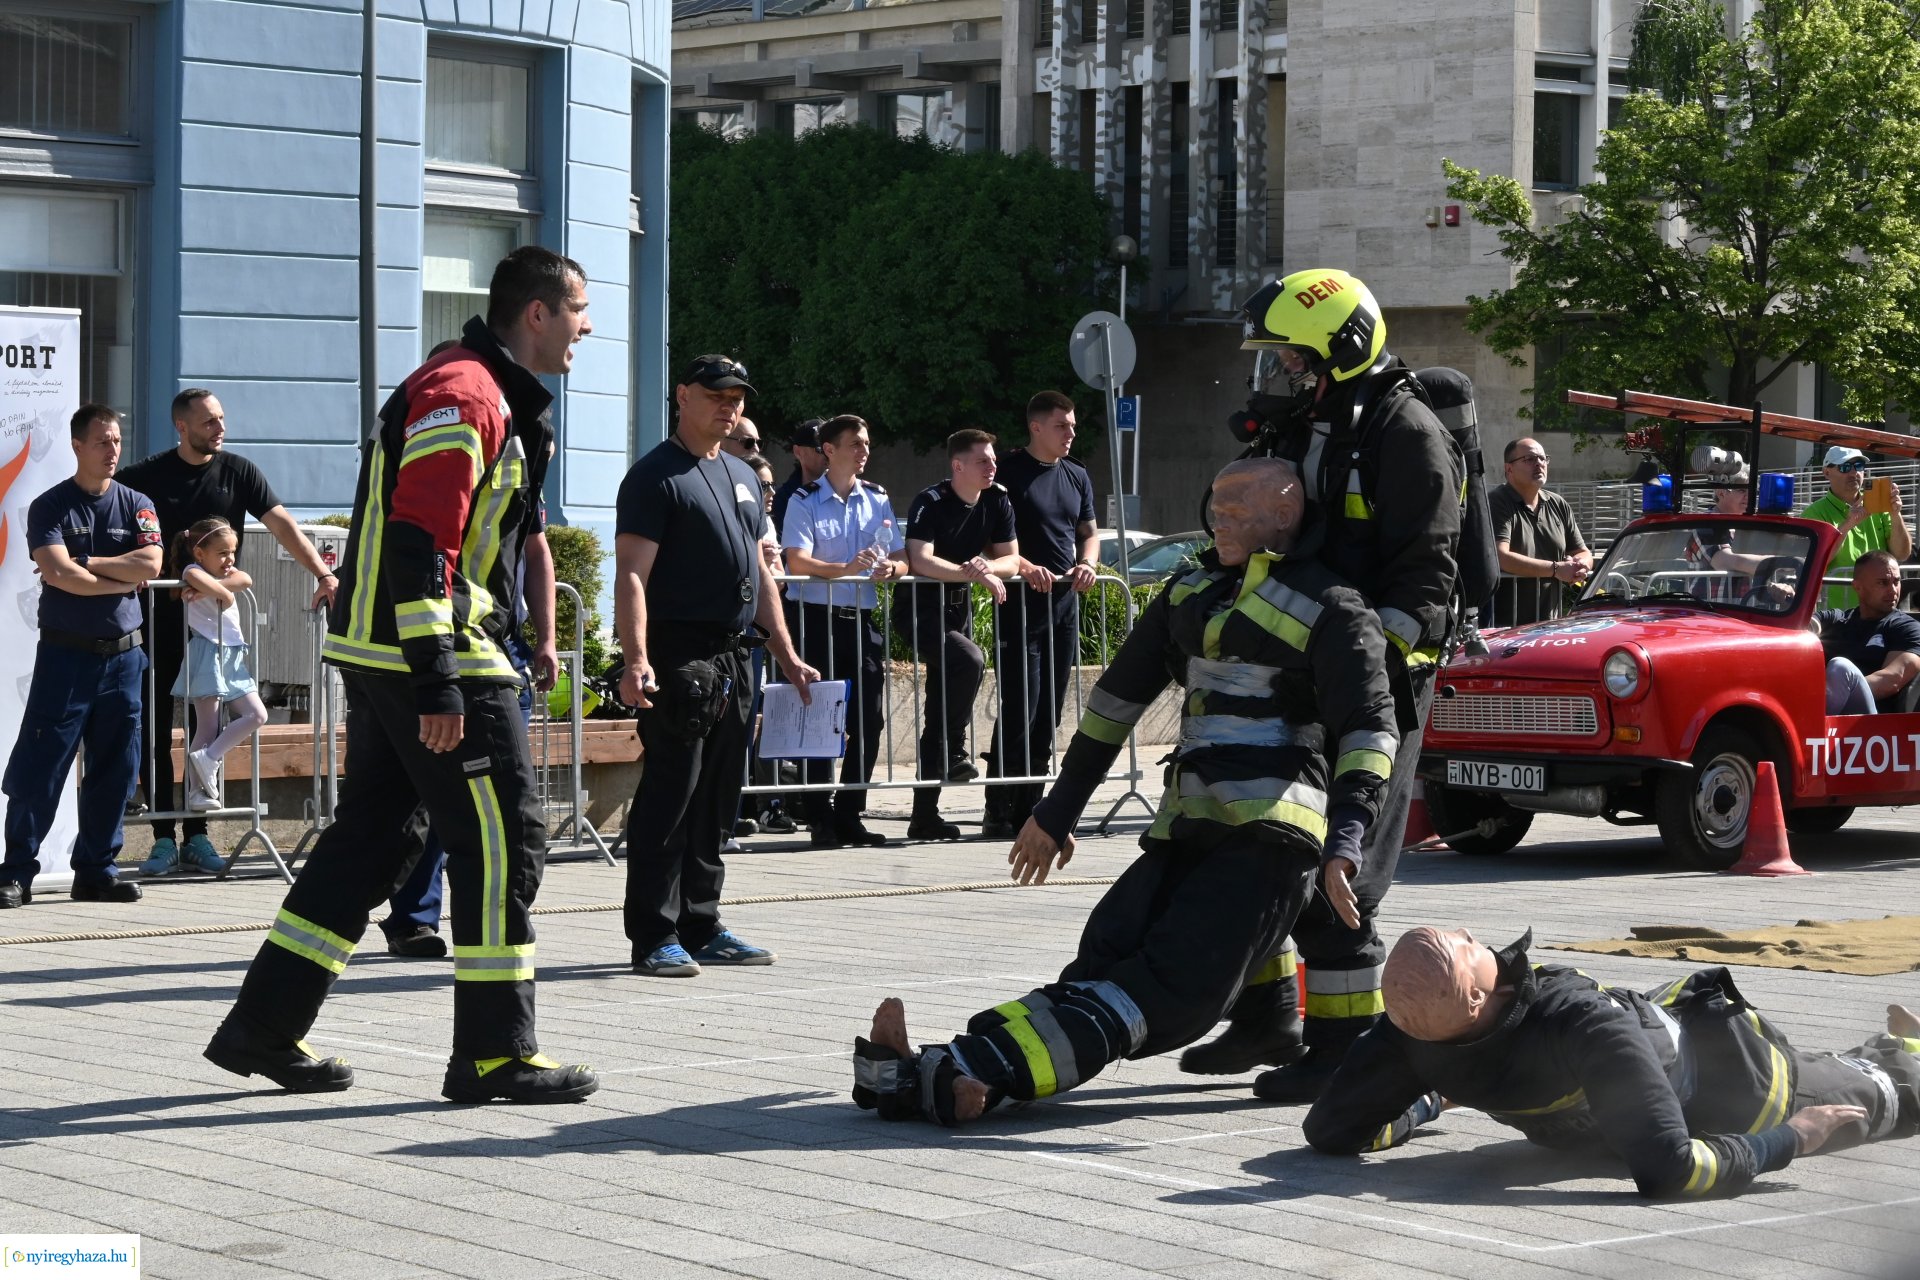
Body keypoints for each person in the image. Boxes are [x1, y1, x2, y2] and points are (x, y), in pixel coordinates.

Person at [848, 459, 1398, 1125]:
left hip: (1273, 835)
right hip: (1189, 827)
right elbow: (1114, 704)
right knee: (1105, 953)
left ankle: (966, 1077)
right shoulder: (1192, 589)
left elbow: (1370, 728)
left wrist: (1346, 839)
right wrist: (1056, 811)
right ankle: (944, 1066)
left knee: (1165, 990)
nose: (1217, 517)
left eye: (1236, 508)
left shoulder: (1333, 605)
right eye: (1214, 504)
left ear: (1284, 513)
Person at [204, 245, 598, 1103]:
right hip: (435, 654)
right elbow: (425, 544)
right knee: (501, 843)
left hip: (387, 653)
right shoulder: (467, 395)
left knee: (377, 841)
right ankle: (494, 1053)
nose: (586, 328)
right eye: (577, 312)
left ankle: (263, 1027)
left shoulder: (477, 389)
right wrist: (441, 681)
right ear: (536, 312)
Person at [1180, 268, 1460, 1104]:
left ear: (1340, 350)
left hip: (1375, 685)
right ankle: (1269, 1017)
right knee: (1268, 844)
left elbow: (1428, 581)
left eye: (1294, 361)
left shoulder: (1404, 432)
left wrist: (1366, 666)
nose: (1282, 377)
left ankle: (1344, 1048)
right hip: (1302, 674)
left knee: (1348, 866)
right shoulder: (1313, 423)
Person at [1302, 925, 1920, 1199]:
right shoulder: (1577, 1023)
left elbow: (1335, 1129)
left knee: (1845, 1073)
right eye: (1467, 947)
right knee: (1893, 1098)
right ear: (1475, 999)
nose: (1472, 935)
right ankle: (1902, 1059)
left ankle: (1898, 1047)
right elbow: (1672, 1173)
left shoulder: (1417, 1036)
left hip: (1688, 1053)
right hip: (1751, 1088)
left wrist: (1430, 1095)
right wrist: (1789, 1139)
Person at [615, 355, 818, 978]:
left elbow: (761, 571)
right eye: (714, 395)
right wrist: (637, 658)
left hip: (736, 656)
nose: (728, 407)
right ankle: (654, 933)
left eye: (736, 398)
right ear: (682, 396)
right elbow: (631, 575)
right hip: (680, 654)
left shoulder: (739, 473)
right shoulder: (654, 477)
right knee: (671, 794)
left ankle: (700, 922)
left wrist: (784, 650)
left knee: (717, 797)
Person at [120, 388, 340, 879]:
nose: (220, 429)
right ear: (182, 426)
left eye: (221, 419)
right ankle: (161, 839)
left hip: (213, 630)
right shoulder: (143, 476)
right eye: (208, 423)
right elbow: (105, 513)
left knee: (210, 725)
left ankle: (197, 834)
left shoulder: (238, 471)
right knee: (155, 727)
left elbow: (282, 525)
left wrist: (323, 576)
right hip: (157, 622)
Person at [1, 405, 163, 909]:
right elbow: (57, 575)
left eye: (116, 441)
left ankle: (96, 870)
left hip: (124, 660)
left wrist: (88, 564)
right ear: (77, 446)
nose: (113, 450)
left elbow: (152, 562)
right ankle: (16, 873)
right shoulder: (50, 506)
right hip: (66, 659)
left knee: (117, 767)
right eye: (102, 442)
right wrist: (115, 577)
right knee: (43, 764)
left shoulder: (137, 504)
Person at [781, 413, 906, 848]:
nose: (864, 450)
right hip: (817, 621)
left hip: (861, 622)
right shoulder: (805, 499)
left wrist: (894, 567)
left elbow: (902, 555)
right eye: (855, 443)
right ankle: (819, 816)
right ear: (828, 450)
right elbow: (796, 561)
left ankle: (851, 811)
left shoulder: (877, 498)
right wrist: (844, 570)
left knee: (868, 720)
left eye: (867, 443)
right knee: (820, 718)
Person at [897, 428, 1022, 841]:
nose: (992, 467)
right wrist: (970, 572)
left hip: (957, 609)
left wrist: (986, 570)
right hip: (920, 610)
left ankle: (924, 814)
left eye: (993, 460)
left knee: (938, 710)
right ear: (958, 466)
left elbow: (1011, 558)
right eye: (983, 461)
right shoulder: (930, 501)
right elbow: (919, 559)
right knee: (969, 659)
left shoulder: (997, 499)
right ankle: (954, 749)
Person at [985, 391, 1099, 840]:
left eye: (1072, 425)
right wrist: (1024, 565)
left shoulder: (1077, 475)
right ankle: (999, 802)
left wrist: (1087, 563)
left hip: (1062, 606)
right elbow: (990, 536)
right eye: (1061, 426)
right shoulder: (1008, 474)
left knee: (1048, 710)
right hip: (1019, 605)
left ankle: (1031, 804)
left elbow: (1088, 533)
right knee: (1020, 705)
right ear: (1036, 427)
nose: (1071, 433)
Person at [167, 518, 271, 812]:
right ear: (200, 553)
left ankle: (209, 758)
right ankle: (196, 792)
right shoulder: (192, 570)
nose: (230, 559)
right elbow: (202, 582)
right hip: (207, 652)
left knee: (256, 714)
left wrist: (218, 589)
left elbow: (245, 580)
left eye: (232, 551)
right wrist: (220, 592)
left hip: (231, 654)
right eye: (222, 553)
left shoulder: (220, 574)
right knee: (208, 725)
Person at [726, 450, 797, 843]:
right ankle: (730, 813)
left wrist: (771, 565)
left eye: (772, 484)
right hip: (728, 631)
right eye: (764, 484)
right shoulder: (734, 509)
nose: (771, 491)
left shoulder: (766, 523)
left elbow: (781, 583)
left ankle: (753, 808)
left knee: (751, 720)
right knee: (731, 725)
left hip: (758, 635)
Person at [1487, 437, 1591, 627]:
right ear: (1509, 469)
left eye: (1543, 459)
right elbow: (1500, 557)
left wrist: (1581, 565)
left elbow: (1583, 551)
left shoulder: (1558, 504)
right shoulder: (1496, 502)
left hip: (1550, 624)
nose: (1539, 464)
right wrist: (1557, 569)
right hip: (1505, 627)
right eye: (1529, 459)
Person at [1801, 445, 1913, 609]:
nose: (1854, 473)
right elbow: (1814, 560)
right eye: (1845, 467)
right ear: (1826, 472)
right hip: (1837, 616)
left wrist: (1896, 514)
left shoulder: (1878, 505)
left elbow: (1902, 554)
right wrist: (1847, 525)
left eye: (1859, 466)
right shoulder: (1814, 512)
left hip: (1880, 612)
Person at [1815, 550, 1920, 714]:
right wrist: (1786, 600)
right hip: (1837, 721)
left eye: (1896, 581)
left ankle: (1809, 724)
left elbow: (1892, 679)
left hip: (1874, 726)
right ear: (1858, 587)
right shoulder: (1836, 619)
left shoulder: (1908, 628)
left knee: (1841, 669)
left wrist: (1839, 690)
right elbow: (1798, 627)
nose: (1893, 590)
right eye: (1882, 583)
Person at [772, 418, 827, 541]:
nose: (826, 454)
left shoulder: (846, 492)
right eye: (819, 449)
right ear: (798, 452)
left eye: (830, 448)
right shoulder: (781, 499)